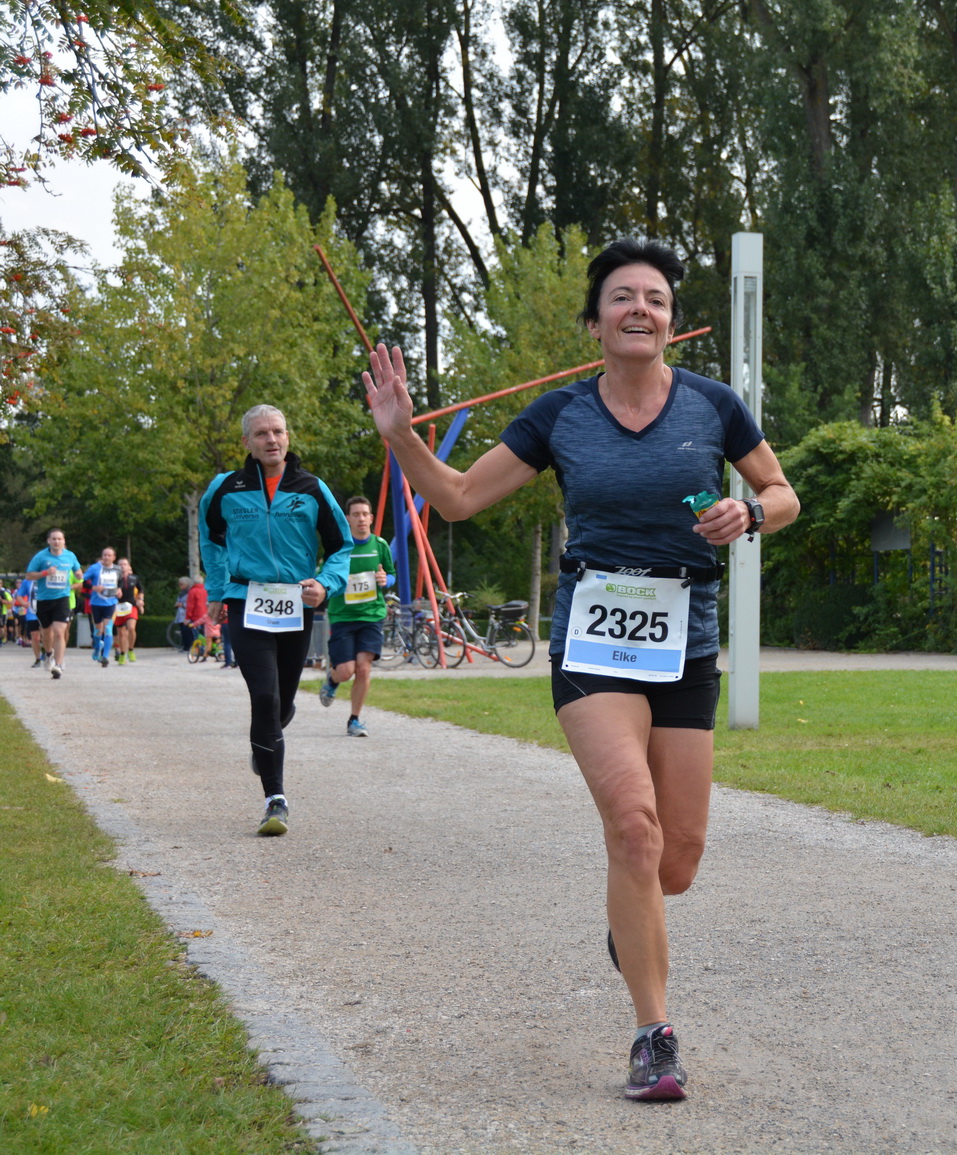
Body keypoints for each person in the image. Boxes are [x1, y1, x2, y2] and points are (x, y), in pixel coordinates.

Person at [364, 238, 798, 1102]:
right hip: (595, 645)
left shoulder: (714, 406)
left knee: (676, 861)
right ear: (595, 322)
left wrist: (749, 513)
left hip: (685, 645)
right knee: (634, 829)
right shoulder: (560, 416)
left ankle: (632, 921)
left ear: (671, 322)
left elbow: (783, 492)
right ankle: (653, 1037)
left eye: (656, 298)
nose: (641, 308)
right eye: (622, 296)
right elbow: (456, 496)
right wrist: (401, 436)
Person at [199, 404, 352, 837]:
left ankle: (266, 735)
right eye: (262, 433)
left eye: (278, 431)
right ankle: (275, 799)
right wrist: (216, 591)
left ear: (288, 436)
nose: (271, 439)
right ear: (247, 442)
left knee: (280, 703)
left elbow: (341, 547)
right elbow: (210, 539)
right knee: (264, 696)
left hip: (295, 605)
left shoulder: (312, 488)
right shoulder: (225, 488)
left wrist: (325, 583)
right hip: (245, 600)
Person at [317, 495, 395, 736]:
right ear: (348, 519)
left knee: (363, 668)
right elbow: (324, 575)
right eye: (356, 514)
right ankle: (332, 681)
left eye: (364, 514)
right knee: (346, 671)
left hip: (372, 615)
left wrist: (385, 580)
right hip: (343, 616)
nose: (361, 519)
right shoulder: (339, 547)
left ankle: (354, 720)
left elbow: (391, 574)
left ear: (371, 518)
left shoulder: (380, 545)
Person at [24, 529, 81, 679]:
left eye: (59, 539)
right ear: (48, 541)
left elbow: (78, 572)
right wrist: (45, 573)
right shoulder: (41, 556)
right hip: (44, 599)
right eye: (54, 539)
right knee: (46, 633)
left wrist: (79, 575)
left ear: (64, 541)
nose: (57, 541)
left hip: (62, 599)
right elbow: (29, 575)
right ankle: (49, 653)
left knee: (59, 632)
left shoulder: (70, 555)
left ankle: (59, 664)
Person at [83, 546, 121, 667]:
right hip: (96, 603)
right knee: (98, 631)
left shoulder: (118, 569)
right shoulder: (94, 568)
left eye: (109, 555)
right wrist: (93, 587)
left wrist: (119, 589)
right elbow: (82, 582)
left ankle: (105, 656)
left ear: (114, 557)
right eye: (105, 555)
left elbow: (120, 581)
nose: (106, 557)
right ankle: (96, 648)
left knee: (108, 628)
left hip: (111, 603)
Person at [112, 558, 144, 664]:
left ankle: (131, 649)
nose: (122, 566)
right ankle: (122, 654)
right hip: (118, 607)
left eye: (124, 564)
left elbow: (141, 589)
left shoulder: (134, 578)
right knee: (121, 633)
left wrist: (140, 599)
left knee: (131, 628)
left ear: (128, 566)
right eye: (120, 564)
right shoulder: (114, 578)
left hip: (131, 606)